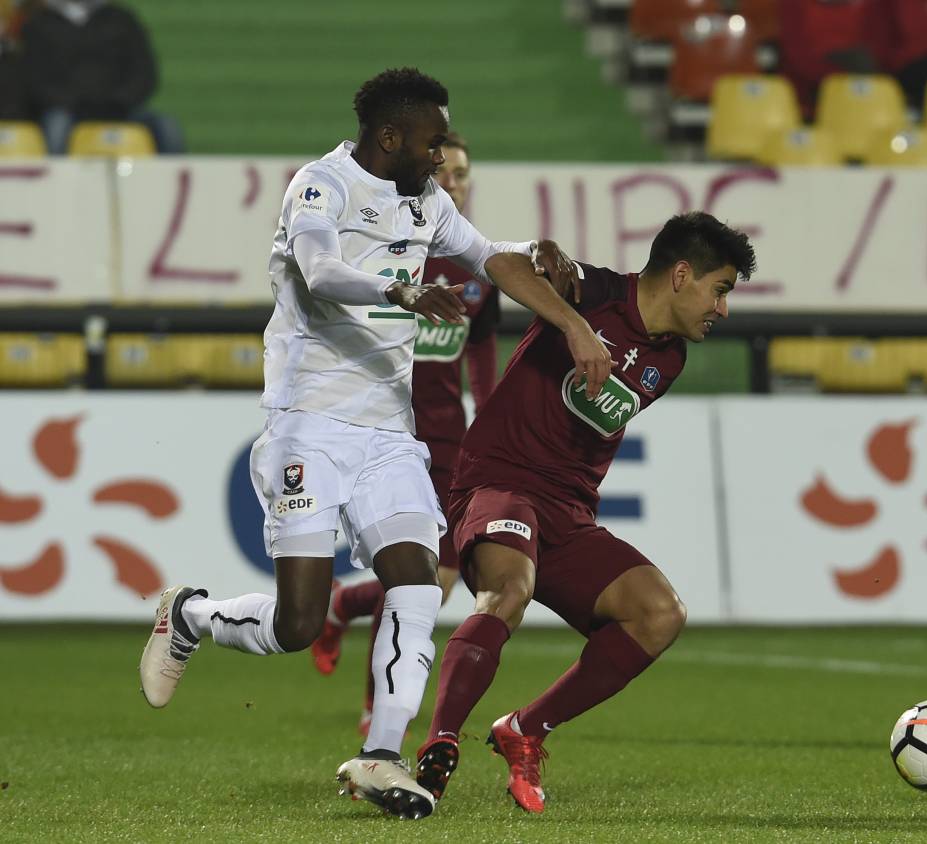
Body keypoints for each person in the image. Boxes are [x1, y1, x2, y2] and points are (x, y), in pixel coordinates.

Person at [138, 67, 611, 821]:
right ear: (390, 136)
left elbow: (489, 255)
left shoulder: (426, 201)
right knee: (298, 623)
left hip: (389, 432)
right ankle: (191, 615)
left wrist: (558, 289)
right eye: (431, 141)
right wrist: (398, 290)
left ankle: (382, 755)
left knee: (417, 583)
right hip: (309, 422)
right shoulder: (320, 186)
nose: (440, 156)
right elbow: (320, 270)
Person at [411, 212, 756, 814]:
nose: (722, 309)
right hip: (499, 481)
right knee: (508, 591)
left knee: (658, 614)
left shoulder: (670, 358)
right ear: (681, 275)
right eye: (720, 289)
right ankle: (439, 744)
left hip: (569, 512)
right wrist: (572, 324)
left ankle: (524, 730)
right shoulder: (593, 291)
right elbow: (505, 264)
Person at [308, 131, 576, 737]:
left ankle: (342, 607)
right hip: (388, 432)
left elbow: (478, 350)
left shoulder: (474, 266)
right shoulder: (386, 248)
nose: (452, 182)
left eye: (462, 174)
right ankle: (378, 709)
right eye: (443, 171)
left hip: (451, 442)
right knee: (417, 579)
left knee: (439, 579)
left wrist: (490, 416)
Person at [20, 0, 184, 153]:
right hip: (66, 110)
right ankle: (55, 175)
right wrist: (73, 103)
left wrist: (119, 102)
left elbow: (144, 72)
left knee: (167, 127)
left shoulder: (122, 20)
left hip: (120, 109)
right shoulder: (39, 24)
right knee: (56, 128)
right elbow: (34, 78)